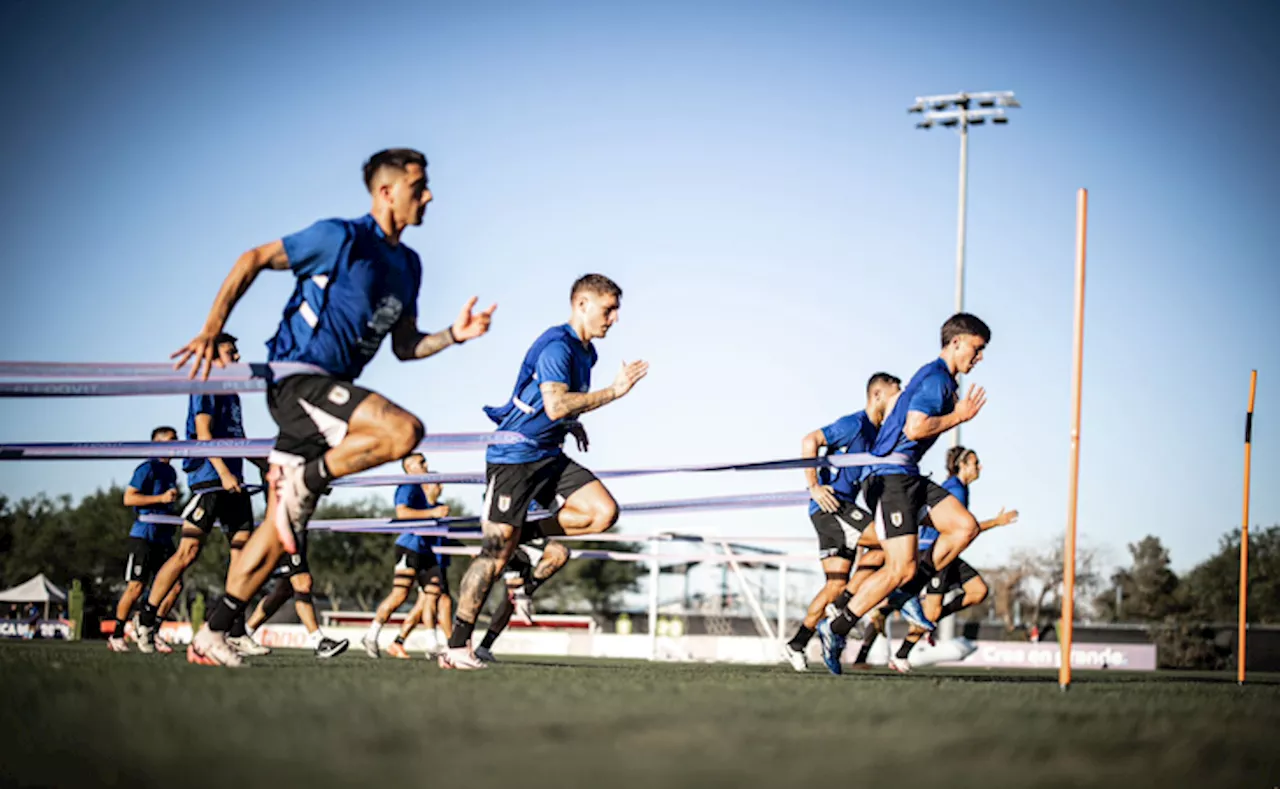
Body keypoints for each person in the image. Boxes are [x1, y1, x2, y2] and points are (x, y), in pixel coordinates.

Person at [173, 148, 495, 667]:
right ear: (387, 192)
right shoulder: (339, 237)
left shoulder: (408, 264)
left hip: (330, 397)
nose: (429, 195)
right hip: (296, 379)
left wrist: (454, 335)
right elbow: (251, 258)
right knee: (403, 431)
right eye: (420, 186)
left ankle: (212, 632)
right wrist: (212, 329)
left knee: (281, 532)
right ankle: (313, 476)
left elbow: (405, 345)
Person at [442, 274, 647, 670]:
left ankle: (523, 534)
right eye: (609, 309)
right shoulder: (558, 346)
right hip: (515, 456)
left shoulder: (588, 354)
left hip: (549, 454)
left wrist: (573, 424)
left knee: (602, 513)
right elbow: (555, 406)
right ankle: (455, 647)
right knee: (495, 556)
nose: (615, 318)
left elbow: (559, 410)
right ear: (581, 304)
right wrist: (612, 393)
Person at [820, 313, 990, 660]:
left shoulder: (940, 380)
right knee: (900, 567)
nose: (980, 357)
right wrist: (958, 416)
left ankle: (903, 594)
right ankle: (834, 627)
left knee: (965, 527)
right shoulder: (936, 379)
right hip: (890, 478)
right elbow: (915, 428)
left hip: (907, 475)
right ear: (956, 342)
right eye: (977, 348)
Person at [134, 334, 267, 655]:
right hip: (210, 480)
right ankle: (146, 619)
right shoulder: (206, 385)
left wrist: (267, 465)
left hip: (234, 481)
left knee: (243, 555)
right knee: (187, 553)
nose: (236, 356)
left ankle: (235, 630)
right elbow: (205, 435)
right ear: (213, 356)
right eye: (229, 352)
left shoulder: (233, 393)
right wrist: (222, 473)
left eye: (237, 351)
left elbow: (240, 439)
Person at [781, 372, 901, 673]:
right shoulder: (855, 423)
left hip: (841, 510)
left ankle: (797, 642)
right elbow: (810, 440)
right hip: (832, 508)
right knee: (892, 543)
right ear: (877, 396)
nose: (900, 399)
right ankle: (845, 606)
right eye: (895, 394)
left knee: (834, 586)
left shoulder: (877, 433)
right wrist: (814, 487)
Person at [876, 445, 1018, 673]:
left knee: (978, 591)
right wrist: (997, 522)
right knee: (930, 612)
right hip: (936, 551)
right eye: (975, 463)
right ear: (962, 466)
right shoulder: (955, 490)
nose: (980, 467)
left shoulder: (960, 488)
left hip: (950, 553)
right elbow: (965, 528)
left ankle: (917, 616)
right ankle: (900, 654)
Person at [362, 453, 451, 658]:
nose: (427, 464)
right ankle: (371, 634)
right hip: (409, 546)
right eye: (421, 462)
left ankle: (432, 643)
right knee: (399, 595)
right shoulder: (407, 486)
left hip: (425, 549)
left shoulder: (420, 488)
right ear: (410, 467)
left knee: (433, 594)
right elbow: (402, 513)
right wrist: (433, 513)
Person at [109, 427, 181, 652]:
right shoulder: (146, 468)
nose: (175, 445)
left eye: (176, 441)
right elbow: (128, 498)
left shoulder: (171, 472)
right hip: (143, 536)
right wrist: (160, 498)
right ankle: (117, 634)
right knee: (136, 587)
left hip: (164, 537)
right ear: (157, 443)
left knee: (174, 587)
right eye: (170, 441)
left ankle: (151, 630)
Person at [474, 519, 571, 663]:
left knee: (558, 554)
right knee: (506, 595)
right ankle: (463, 643)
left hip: (529, 534)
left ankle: (482, 647)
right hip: (508, 533)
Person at [240, 534, 349, 659]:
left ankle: (242, 635)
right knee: (303, 583)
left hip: (296, 535)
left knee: (283, 591)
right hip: (286, 534)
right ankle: (318, 641)